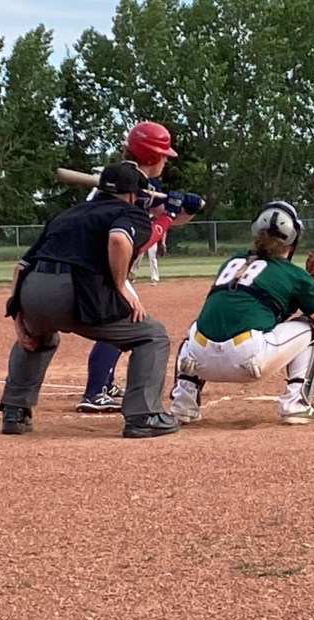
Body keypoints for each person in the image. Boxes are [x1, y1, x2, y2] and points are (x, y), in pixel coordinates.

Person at [0, 162, 179, 439]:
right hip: (76, 291)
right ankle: (144, 416)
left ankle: (14, 411)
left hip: (33, 290)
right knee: (151, 335)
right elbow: (119, 239)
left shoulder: (66, 215)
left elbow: (21, 267)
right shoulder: (130, 213)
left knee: (38, 337)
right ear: (133, 194)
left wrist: (21, 319)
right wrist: (120, 286)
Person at [168, 200, 314, 425]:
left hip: (199, 359)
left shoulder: (232, 261)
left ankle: (183, 405)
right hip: (247, 358)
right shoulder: (295, 275)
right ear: (293, 239)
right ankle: (296, 403)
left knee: (198, 326)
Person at [75, 121, 202, 414]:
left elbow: (166, 216)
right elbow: (141, 238)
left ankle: (102, 384)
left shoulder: (139, 183)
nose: (166, 161)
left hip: (103, 263)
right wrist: (169, 213)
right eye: (163, 156)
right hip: (100, 264)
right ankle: (93, 393)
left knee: (123, 320)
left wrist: (186, 210)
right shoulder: (130, 184)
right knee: (126, 321)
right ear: (150, 156)